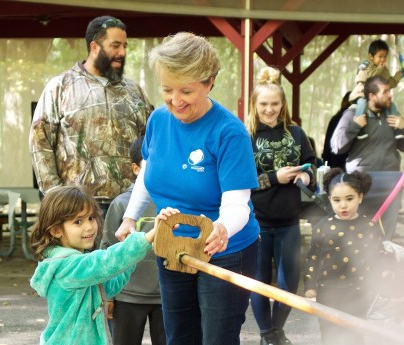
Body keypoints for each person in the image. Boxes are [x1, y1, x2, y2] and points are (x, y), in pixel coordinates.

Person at [115, 32, 260, 345]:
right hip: (173, 245)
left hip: (224, 249)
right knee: (179, 335)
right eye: (167, 89)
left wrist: (222, 229)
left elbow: (237, 205)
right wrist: (130, 217)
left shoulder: (229, 132)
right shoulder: (158, 120)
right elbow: (147, 173)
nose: (175, 100)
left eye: (186, 91)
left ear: (209, 83)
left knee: (216, 339)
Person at [29, 16, 152, 217]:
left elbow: (149, 142)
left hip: (129, 205)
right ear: (94, 47)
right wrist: (56, 197)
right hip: (78, 207)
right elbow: (39, 142)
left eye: (124, 46)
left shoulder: (134, 92)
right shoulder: (61, 86)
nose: (122, 52)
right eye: (115, 45)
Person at [29, 185, 178, 345]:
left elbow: (109, 287)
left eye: (91, 218)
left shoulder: (80, 264)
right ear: (56, 230)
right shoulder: (66, 267)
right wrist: (149, 236)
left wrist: (130, 259)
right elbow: (106, 261)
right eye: (78, 221)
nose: (89, 227)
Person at [245, 66, 316, 345]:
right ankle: (267, 334)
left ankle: (276, 331)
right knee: (259, 282)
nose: (270, 109)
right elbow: (242, 181)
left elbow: (313, 164)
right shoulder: (246, 135)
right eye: (264, 104)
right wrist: (277, 176)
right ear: (255, 105)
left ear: (283, 105)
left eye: (275, 104)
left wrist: (306, 175)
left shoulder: (297, 133)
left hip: (289, 222)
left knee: (289, 284)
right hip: (258, 222)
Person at [304, 168, 393, 345]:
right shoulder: (322, 226)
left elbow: (378, 254)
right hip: (328, 291)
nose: (343, 205)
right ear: (329, 199)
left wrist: (386, 270)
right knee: (329, 333)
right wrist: (310, 285)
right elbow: (312, 257)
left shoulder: (370, 226)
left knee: (355, 334)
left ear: (360, 197)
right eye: (337, 200)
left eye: (349, 199)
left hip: (359, 291)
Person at [100, 136, 165, 345]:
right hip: (126, 296)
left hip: (167, 296)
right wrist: (108, 296)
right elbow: (108, 249)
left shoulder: (174, 203)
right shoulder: (121, 204)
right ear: (136, 169)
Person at [331, 75, 404, 240]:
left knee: (386, 233)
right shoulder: (353, 113)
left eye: (389, 91)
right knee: (359, 232)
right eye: (385, 92)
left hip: (391, 182)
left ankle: (382, 263)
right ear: (371, 96)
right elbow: (336, 146)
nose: (390, 95)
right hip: (363, 181)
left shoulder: (393, 115)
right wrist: (355, 126)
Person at [349, 39, 403, 140]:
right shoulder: (365, 66)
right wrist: (379, 69)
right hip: (363, 94)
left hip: (378, 98)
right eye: (380, 56)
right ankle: (360, 128)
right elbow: (369, 80)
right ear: (371, 56)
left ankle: (396, 129)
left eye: (385, 57)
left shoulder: (384, 69)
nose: (383, 59)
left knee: (391, 106)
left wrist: (398, 76)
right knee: (362, 103)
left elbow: (389, 83)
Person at [322, 91, 351, 169]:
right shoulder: (355, 118)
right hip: (348, 161)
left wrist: (326, 160)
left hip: (334, 161)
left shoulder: (335, 118)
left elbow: (327, 144)